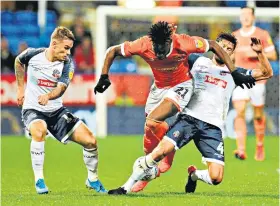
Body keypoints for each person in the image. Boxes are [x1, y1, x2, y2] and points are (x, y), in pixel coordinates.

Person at [94, 21, 254, 192]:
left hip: (182, 85)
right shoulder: (142, 44)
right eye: (157, 48)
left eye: (163, 48)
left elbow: (214, 45)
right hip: (159, 88)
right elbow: (112, 51)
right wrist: (104, 76)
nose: (160, 52)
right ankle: (153, 167)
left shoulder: (184, 42)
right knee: (150, 125)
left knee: (155, 119)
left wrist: (235, 72)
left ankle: (165, 159)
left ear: (170, 41)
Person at [14, 26, 106, 194]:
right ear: (54, 44)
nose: (68, 53)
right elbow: (19, 62)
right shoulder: (33, 54)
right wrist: (20, 89)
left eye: (70, 49)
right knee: (39, 131)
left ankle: (92, 179)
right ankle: (39, 180)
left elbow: (62, 89)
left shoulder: (67, 63)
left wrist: (48, 96)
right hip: (33, 108)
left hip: (56, 111)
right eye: (66, 48)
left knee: (91, 141)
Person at [232, 7, 277, 161]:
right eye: (242, 15)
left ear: (253, 17)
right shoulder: (234, 36)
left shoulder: (261, 35)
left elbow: (273, 55)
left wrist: (257, 53)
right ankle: (241, 149)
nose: (244, 17)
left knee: (258, 115)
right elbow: (229, 57)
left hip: (258, 80)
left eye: (247, 15)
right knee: (240, 112)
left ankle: (259, 145)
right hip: (240, 80)